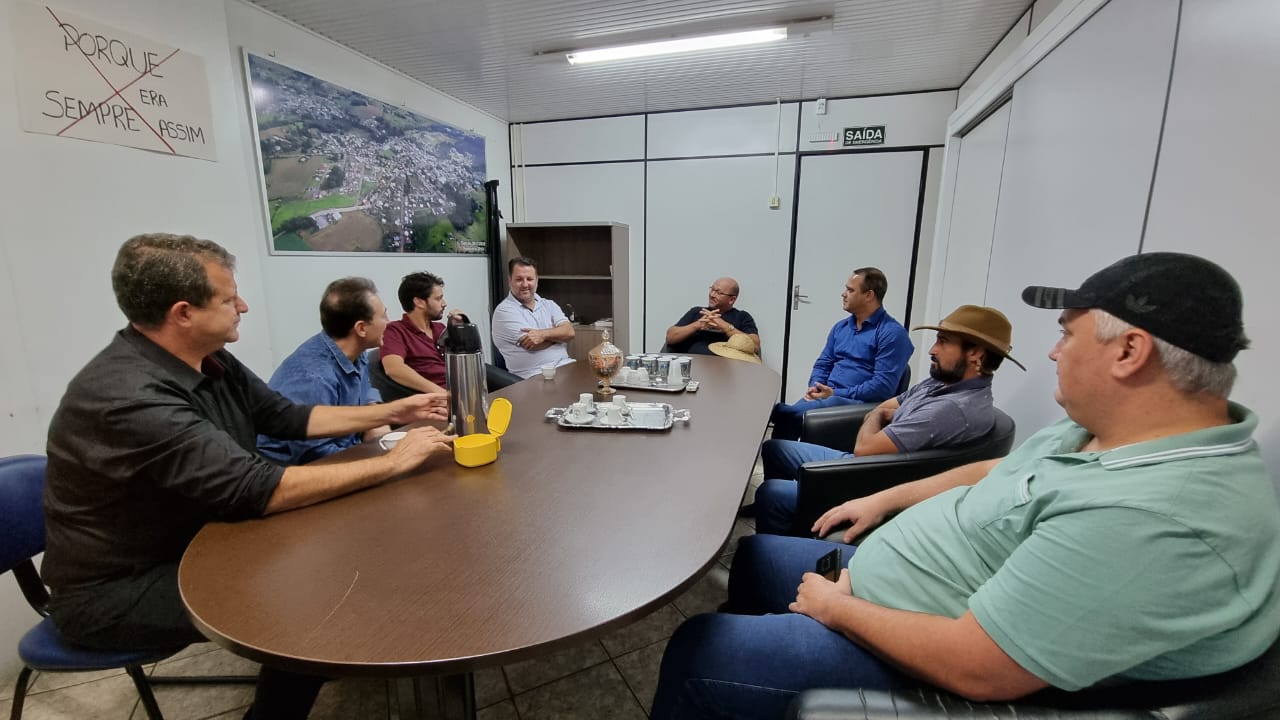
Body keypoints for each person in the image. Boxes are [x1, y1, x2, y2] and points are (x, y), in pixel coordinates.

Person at [652, 252, 1280, 720]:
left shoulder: (1156, 516)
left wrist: (836, 608)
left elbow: (982, 669)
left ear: (1129, 352)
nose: (1055, 353)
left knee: (698, 648)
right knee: (756, 556)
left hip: (916, 654)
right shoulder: (1101, 432)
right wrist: (882, 498)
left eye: (1067, 332)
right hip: (886, 583)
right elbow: (993, 470)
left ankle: (748, 672)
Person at [43, 234, 457, 720]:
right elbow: (256, 488)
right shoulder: (130, 397)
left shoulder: (211, 358)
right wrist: (394, 461)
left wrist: (393, 411)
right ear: (183, 313)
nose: (242, 306)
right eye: (228, 299)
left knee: (335, 556)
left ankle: (318, 664)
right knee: (311, 601)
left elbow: (284, 416)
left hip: (205, 539)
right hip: (120, 589)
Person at [754, 304, 1024, 535]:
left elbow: (865, 447)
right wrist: (880, 414)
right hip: (867, 464)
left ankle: (779, 543)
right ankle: (795, 524)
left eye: (943, 341)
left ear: (976, 353)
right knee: (775, 448)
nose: (932, 350)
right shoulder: (941, 382)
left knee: (772, 492)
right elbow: (886, 406)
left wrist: (876, 416)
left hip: (869, 481)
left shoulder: (952, 409)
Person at [257, 277, 391, 465]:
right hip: (299, 467)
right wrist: (376, 459)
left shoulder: (355, 351)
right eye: (384, 316)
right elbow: (314, 453)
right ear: (361, 328)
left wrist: (375, 415)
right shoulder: (312, 377)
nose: (389, 322)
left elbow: (365, 390)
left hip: (346, 448)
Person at [768, 267, 912, 441]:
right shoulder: (841, 327)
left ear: (869, 295)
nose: (843, 294)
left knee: (789, 415)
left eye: (850, 290)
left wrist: (836, 393)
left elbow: (882, 387)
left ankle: (773, 412)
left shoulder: (893, 334)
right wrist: (816, 386)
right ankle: (778, 435)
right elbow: (823, 363)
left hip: (858, 404)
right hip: (829, 395)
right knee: (788, 419)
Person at [380, 271, 464, 394]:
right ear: (419, 302)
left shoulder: (440, 329)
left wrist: (461, 329)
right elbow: (394, 369)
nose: (444, 304)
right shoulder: (395, 331)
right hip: (439, 398)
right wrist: (441, 393)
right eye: (438, 299)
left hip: (463, 390)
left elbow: (464, 361)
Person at [491, 257, 575, 378]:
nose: (525, 284)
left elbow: (570, 332)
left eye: (529, 279)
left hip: (566, 366)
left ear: (537, 281)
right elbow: (533, 344)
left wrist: (542, 335)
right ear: (510, 281)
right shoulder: (504, 311)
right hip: (533, 376)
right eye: (519, 279)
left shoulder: (549, 304)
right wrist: (559, 335)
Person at [665, 277, 760, 355]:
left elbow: (755, 346)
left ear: (732, 300)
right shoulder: (697, 311)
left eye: (718, 292)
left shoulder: (742, 316)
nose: (712, 295)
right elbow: (670, 337)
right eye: (712, 289)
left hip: (726, 368)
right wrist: (697, 325)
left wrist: (725, 326)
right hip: (693, 365)